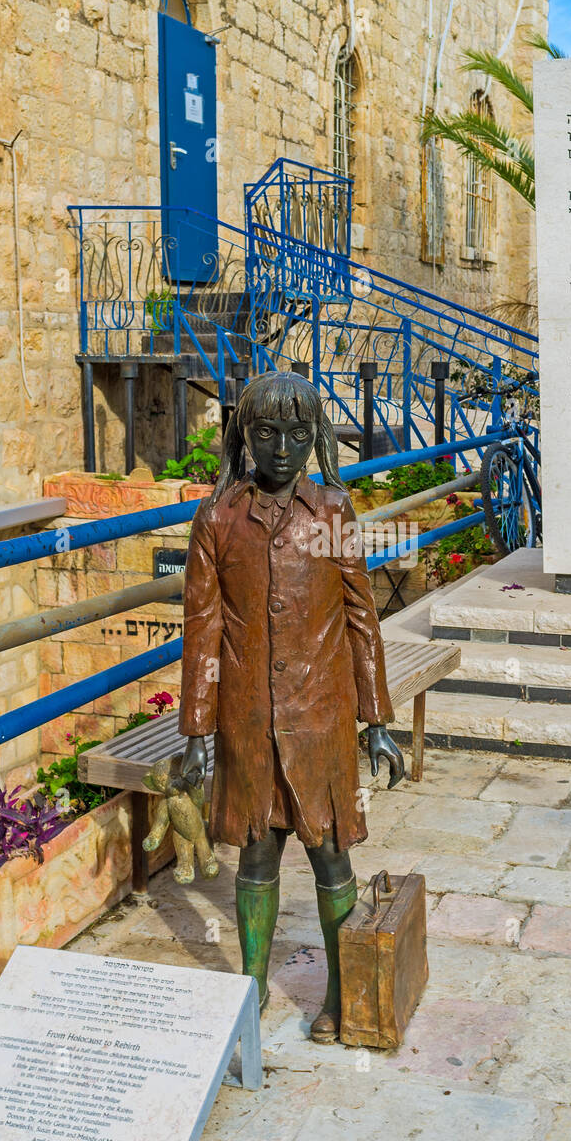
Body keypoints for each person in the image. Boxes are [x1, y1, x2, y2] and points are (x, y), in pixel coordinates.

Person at [179, 370, 404, 1042]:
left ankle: (340, 992)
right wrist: (197, 728)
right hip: (247, 720)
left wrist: (377, 722)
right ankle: (250, 986)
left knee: (331, 854)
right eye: (266, 434)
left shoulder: (333, 511)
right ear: (241, 436)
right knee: (256, 853)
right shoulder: (218, 518)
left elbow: (364, 619)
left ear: (318, 438)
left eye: (299, 435)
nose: (282, 449)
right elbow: (202, 628)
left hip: (321, 718)